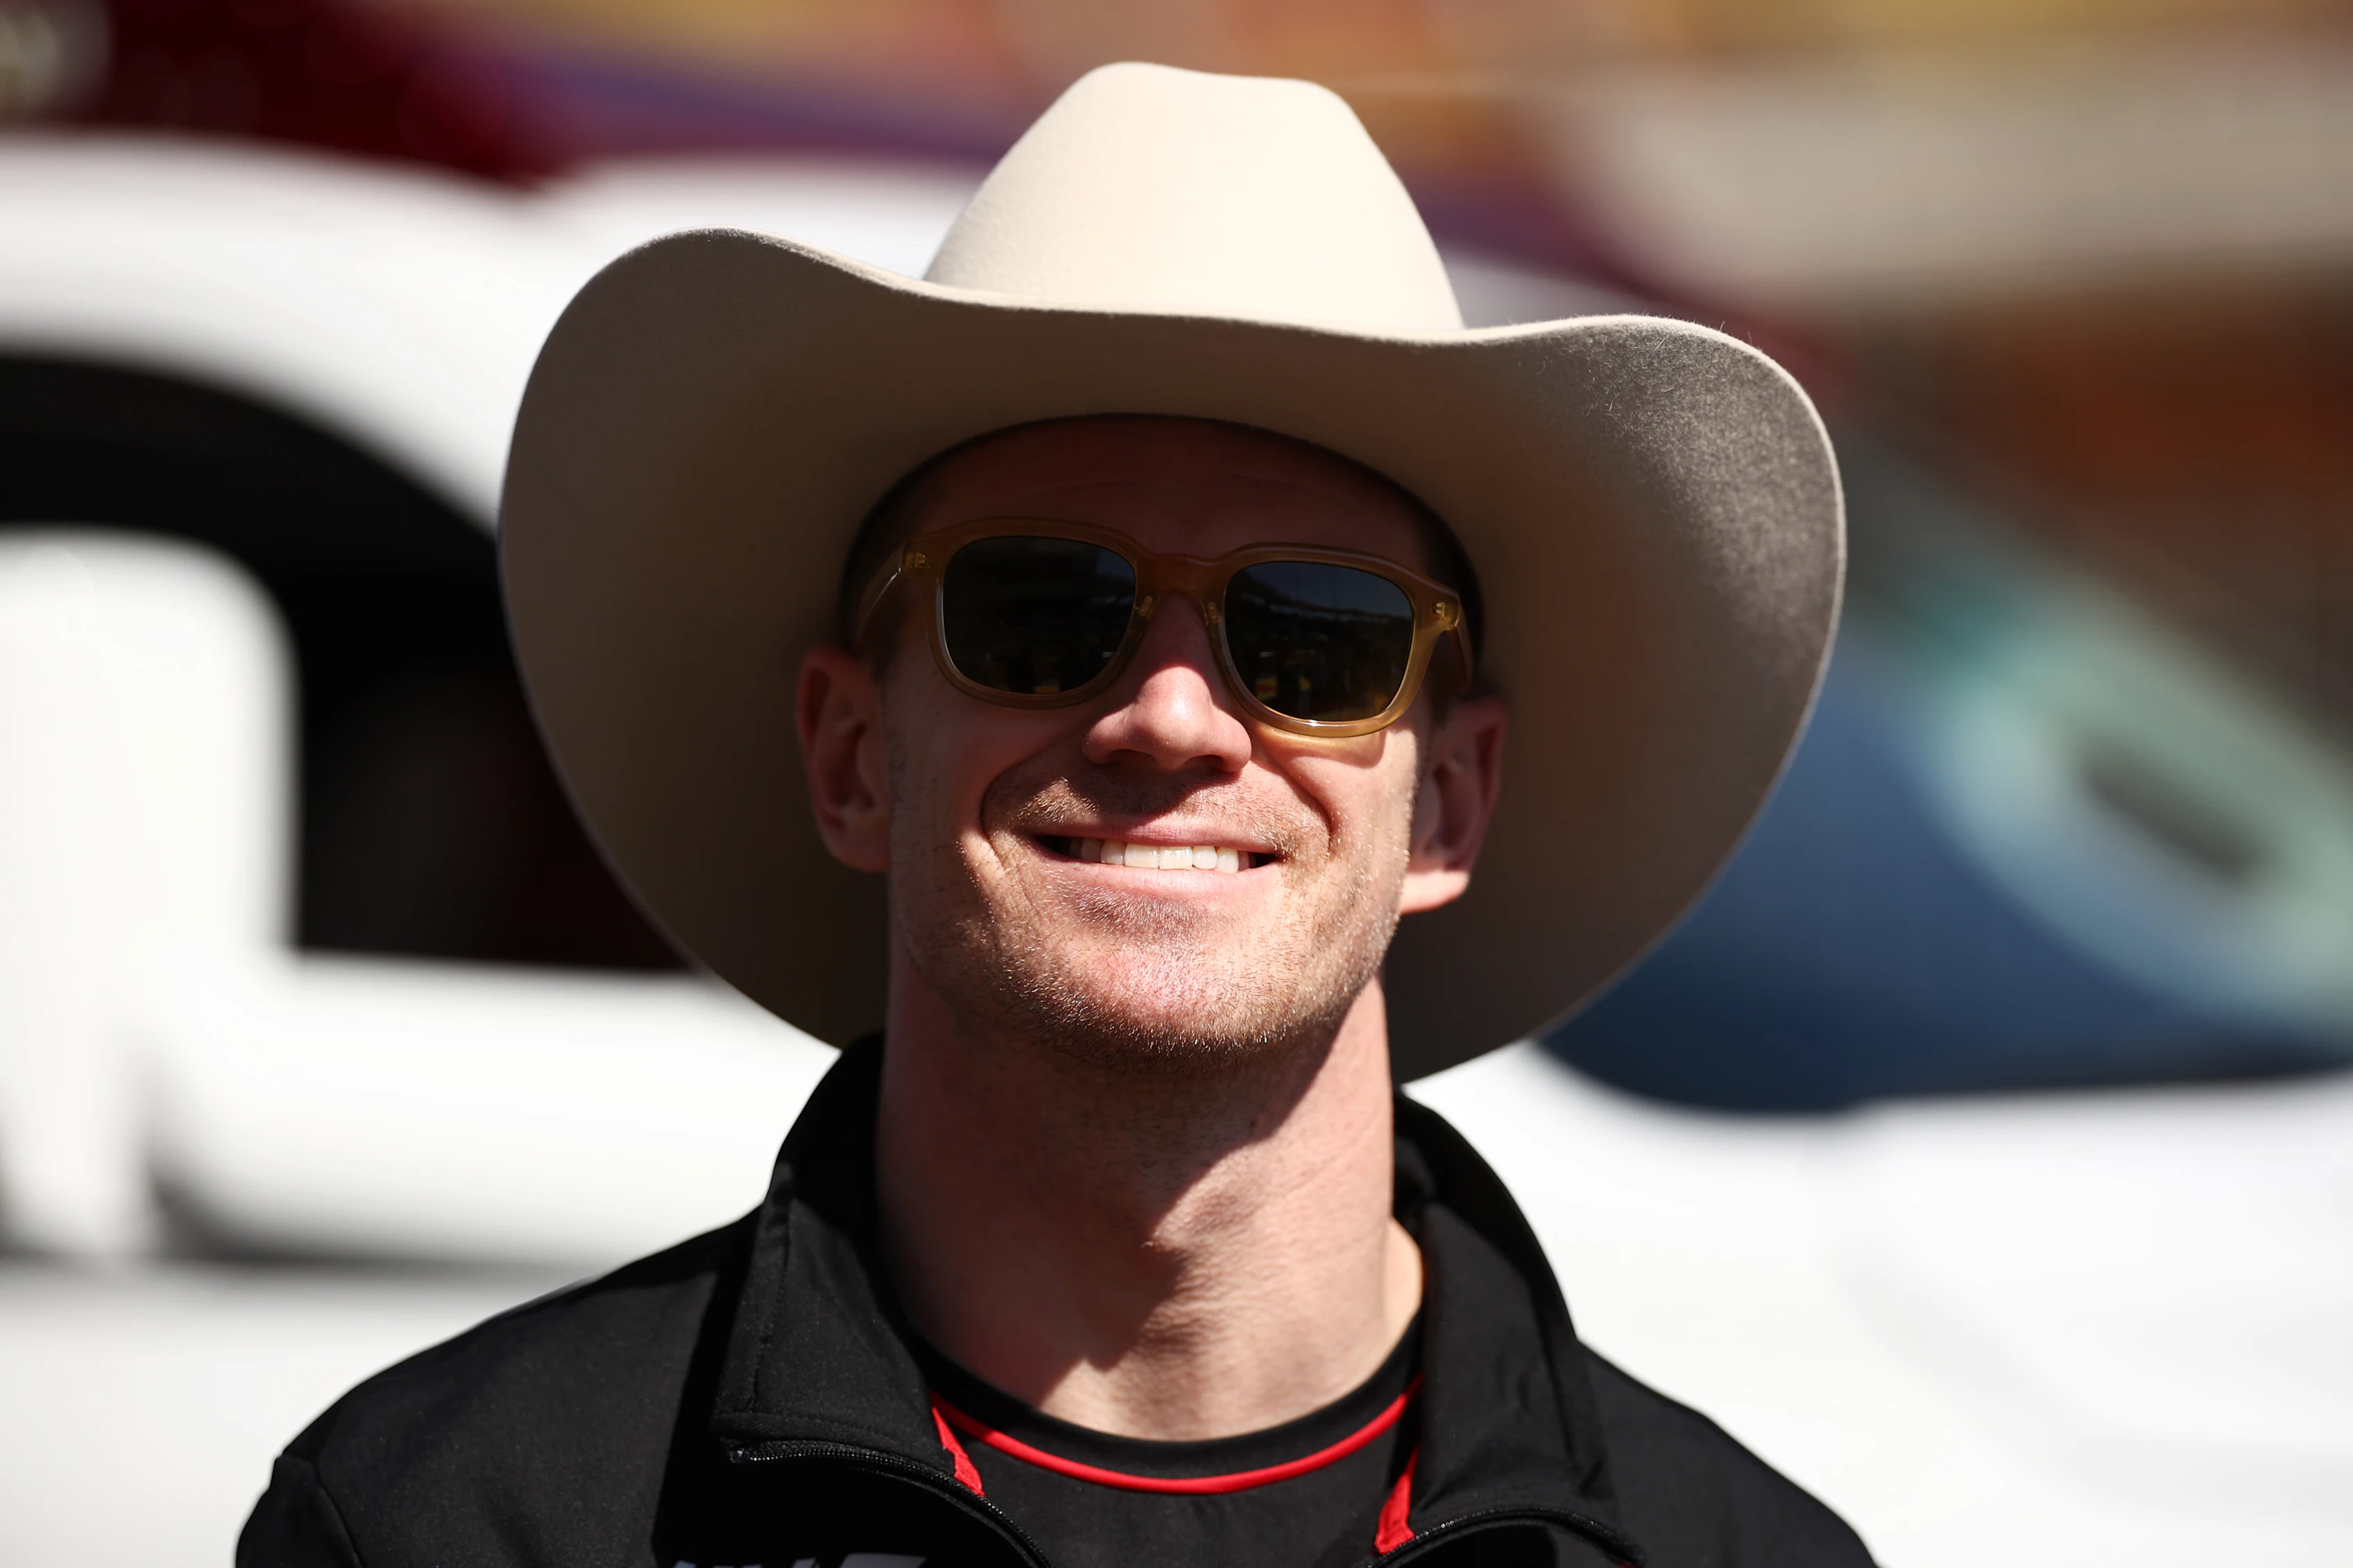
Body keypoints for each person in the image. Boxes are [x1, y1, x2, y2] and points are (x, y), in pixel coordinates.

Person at [240, 62, 1863, 1568]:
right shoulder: (450, 1525)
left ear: (1448, 797)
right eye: (1037, 607)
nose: (1168, 712)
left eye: (1319, 635)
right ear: (853, 752)